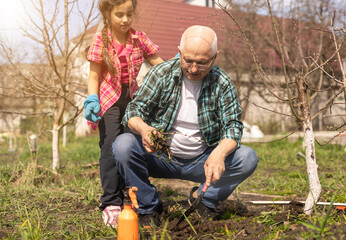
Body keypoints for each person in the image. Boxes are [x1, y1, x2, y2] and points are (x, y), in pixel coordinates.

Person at [112, 25, 258, 227]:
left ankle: (203, 200)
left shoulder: (222, 82)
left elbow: (233, 126)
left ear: (215, 57)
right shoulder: (161, 74)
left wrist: (220, 153)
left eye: (202, 62)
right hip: (160, 156)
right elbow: (133, 111)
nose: (193, 68)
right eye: (187, 60)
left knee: (247, 157)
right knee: (123, 145)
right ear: (179, 51)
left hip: (202, 163)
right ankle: (149, 207)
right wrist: (145, 129)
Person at [83, 0, 163, 228]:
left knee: (130, 146)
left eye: (129, 14)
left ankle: (133, 195)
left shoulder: (139, 38)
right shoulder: (101, 39)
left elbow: (159, 64)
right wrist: (92, 98)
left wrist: (177, 68)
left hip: (132, 99)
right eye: (120, 15)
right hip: (109, 99)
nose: (125, 20)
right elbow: (94, 76)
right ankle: (111, 202)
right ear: (108, 12)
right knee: (110, 146)